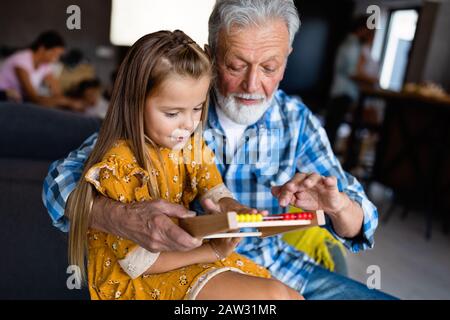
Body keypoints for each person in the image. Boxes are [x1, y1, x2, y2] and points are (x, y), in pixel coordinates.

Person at [43, 0, 395, 299]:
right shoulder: (170, 101)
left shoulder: (295, 120)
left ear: (287, 58)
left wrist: (339, 206)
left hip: (283, 267)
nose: (252, 84)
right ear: (211, 55)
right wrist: (120, 216)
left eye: (270, 67)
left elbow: (362, 222)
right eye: (236, 65)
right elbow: (58, 184)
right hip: (194, 268)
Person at [67, 29, 303, 300]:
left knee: (290, 295)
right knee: (272, 297)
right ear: (134, 103)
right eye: (172, 113)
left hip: (185, 260)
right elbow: (138, 263)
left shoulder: (188, 144)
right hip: (137, 282)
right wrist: (213, 251)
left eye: (197, 108)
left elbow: (212, 186)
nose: (188, 124)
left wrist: (234, 209)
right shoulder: (120, 164)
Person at [325, 16, 380, 150]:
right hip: (343, 92)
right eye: (368, 30)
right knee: (331, 130)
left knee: (334, 128)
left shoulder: (354, 45)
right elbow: (352, 72)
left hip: (345, 92)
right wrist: (372, 80)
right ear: (362, 28)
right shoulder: (351, 45)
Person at [0, 30, 82, 111]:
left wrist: (68, 102)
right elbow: (33, 97)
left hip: (17, 101)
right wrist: (64, 102)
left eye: (58, 56)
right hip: (3, 97)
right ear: (42, 48)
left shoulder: (45, 65)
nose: (56, 59)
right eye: (55, 54)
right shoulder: (21, 60)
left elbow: (57, 91)